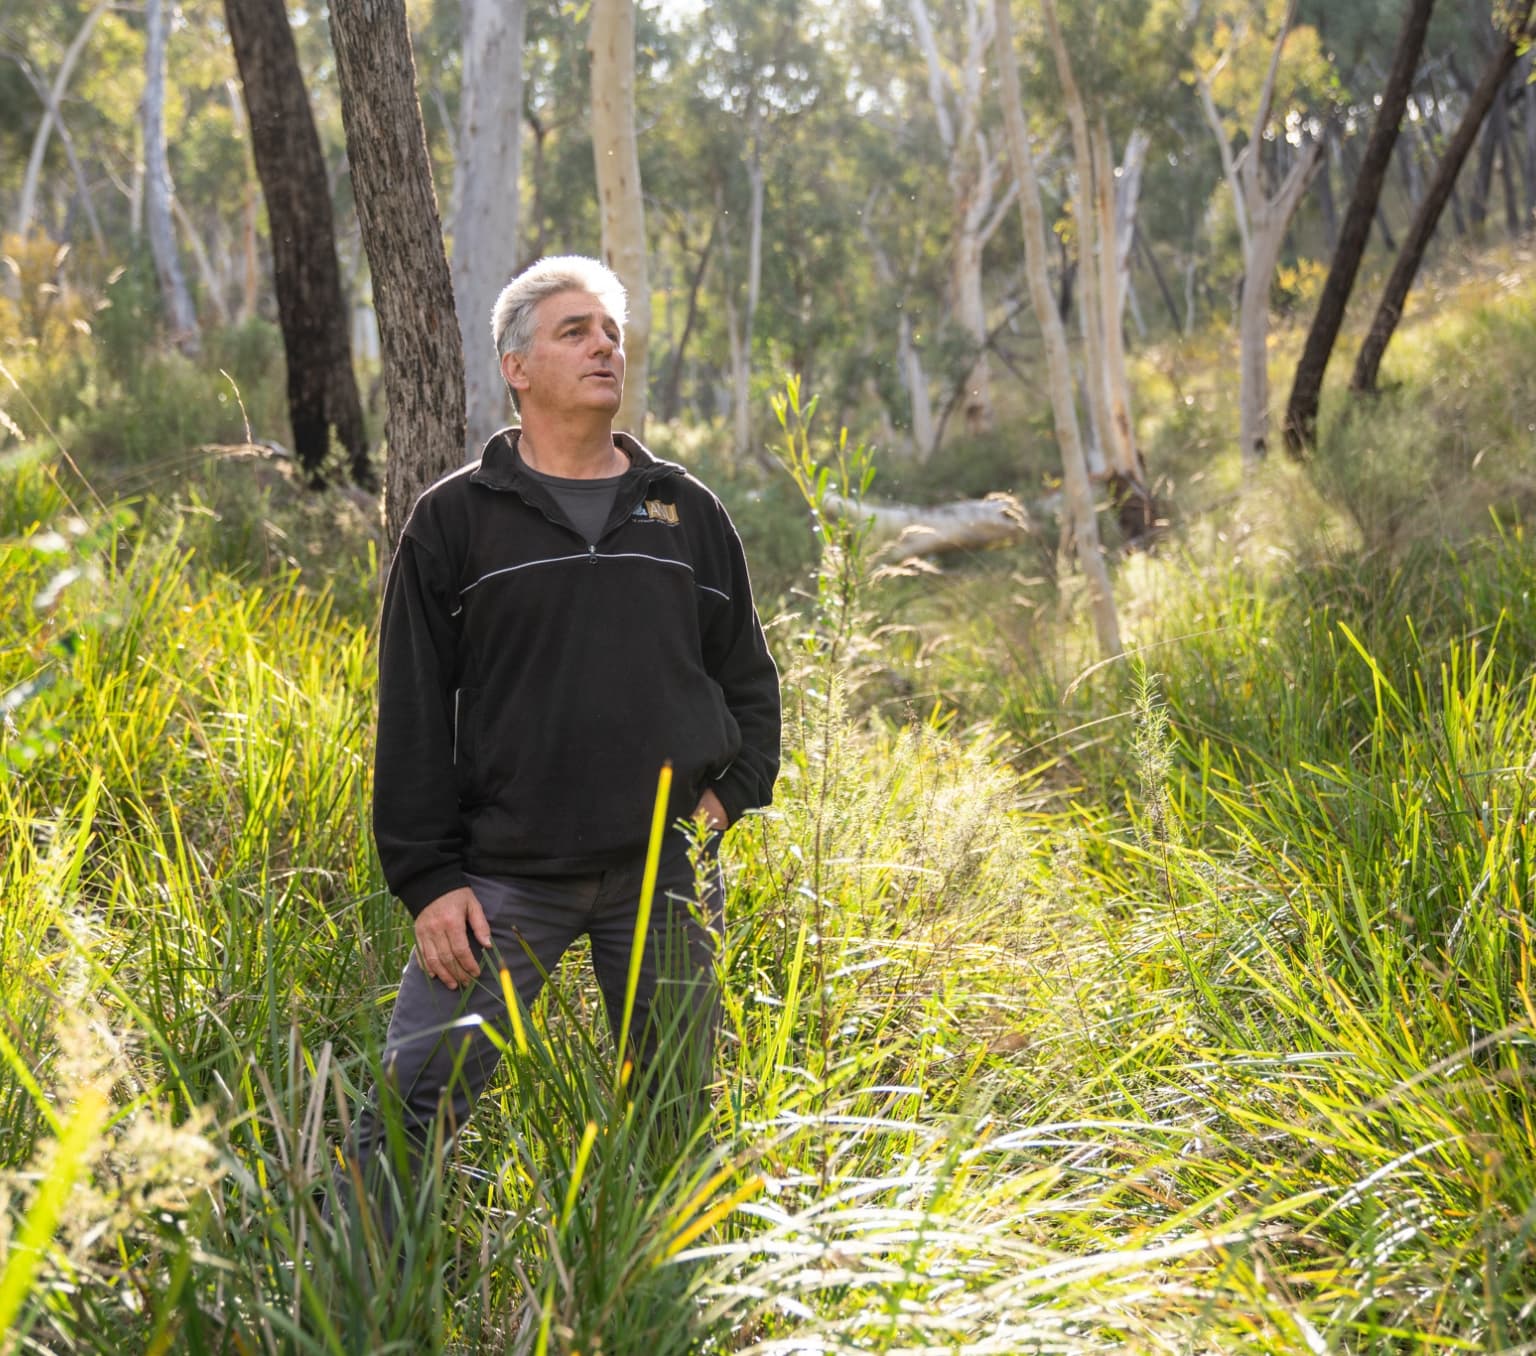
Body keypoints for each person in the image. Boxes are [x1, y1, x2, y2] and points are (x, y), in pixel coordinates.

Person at [352, 255, 781, 1209]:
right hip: (504, 879)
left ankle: (651, 1308)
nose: (604, 346)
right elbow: (414, 712)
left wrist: (726, 797)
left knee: (673, 1115)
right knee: (410, 1109)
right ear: (517, 367)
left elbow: (748, 679)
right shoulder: (455, 520)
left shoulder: (685, 511)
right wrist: (428, 882)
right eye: (575, 331)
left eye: (612, 331)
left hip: (664, 877)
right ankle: (363, 1302)